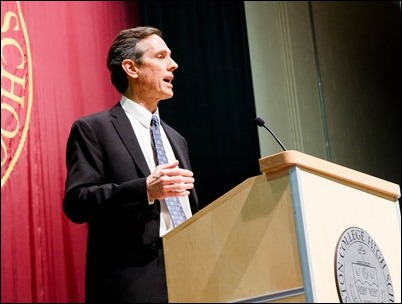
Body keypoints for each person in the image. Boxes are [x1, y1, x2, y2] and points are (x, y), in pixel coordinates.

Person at [62, 26, 199, 303]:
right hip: (131, 281)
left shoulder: (176, 139)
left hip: (190, 271)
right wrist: (145, 189)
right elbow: (77, 202)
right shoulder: (94, 129)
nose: (173, 64)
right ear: (131, 68)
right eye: (161, 56)